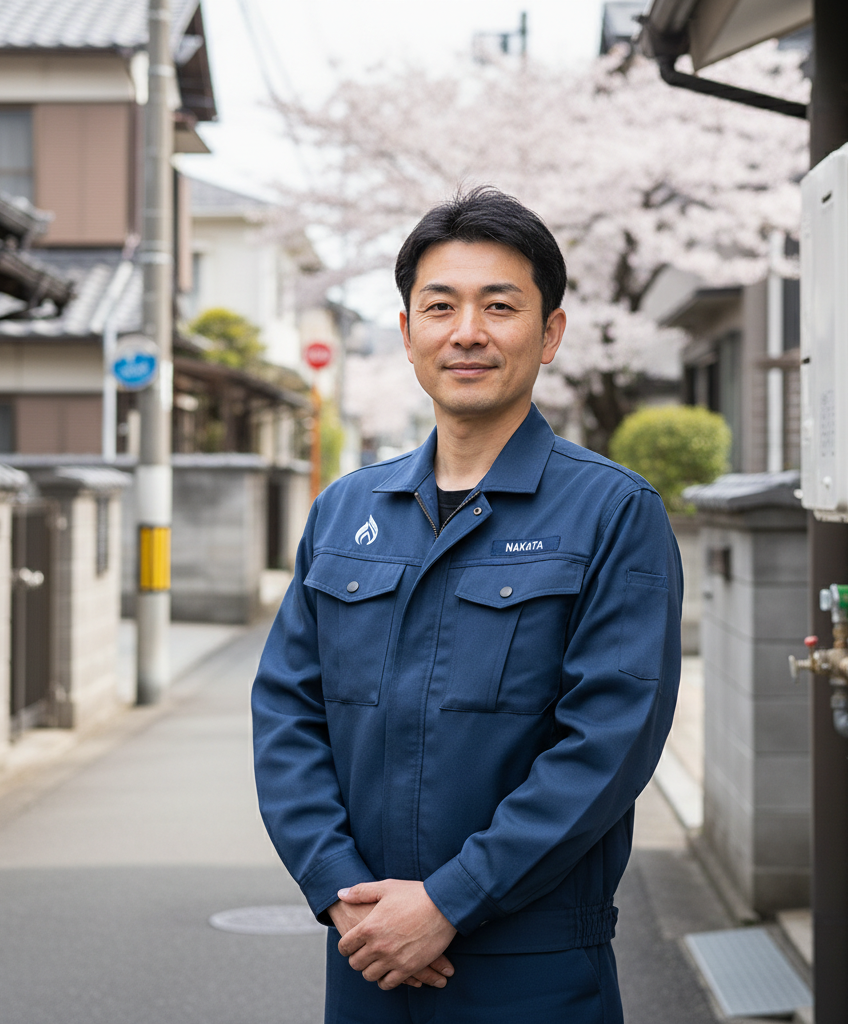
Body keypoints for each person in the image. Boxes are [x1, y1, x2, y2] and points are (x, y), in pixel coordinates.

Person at [252, 187, 682, 1024]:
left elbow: (609, 742)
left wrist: (452, 900)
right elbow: (287, 715)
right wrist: (341, 893)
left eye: (500, 306)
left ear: (550, 332)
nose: (468, 332)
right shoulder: (347, 511)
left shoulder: (613, 512)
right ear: (407, 332)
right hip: (367, 951)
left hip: (535, 960)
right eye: (440, 307)